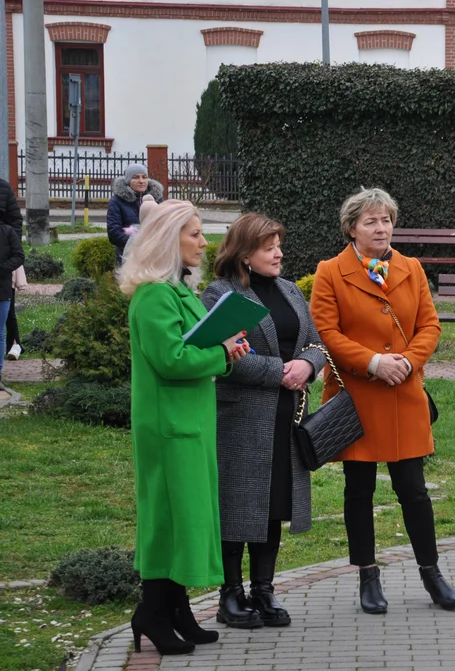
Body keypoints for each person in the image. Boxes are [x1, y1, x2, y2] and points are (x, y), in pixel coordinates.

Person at [310, 187, 455, 613]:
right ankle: (367, 577)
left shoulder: (411, 267)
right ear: (352, 228)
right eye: (371, 221)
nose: (381, 228)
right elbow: (327, 333)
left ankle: (432, 574)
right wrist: (374, 362)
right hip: (357, 398)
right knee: (358, 491)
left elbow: (430, 325)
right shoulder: (329, 272)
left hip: (403, 394)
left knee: (414, 490)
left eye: (387, 220)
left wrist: (407, 363)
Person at [119, 198, 251, 655]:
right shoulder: (155, 294)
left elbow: (191, 345)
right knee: (168, 520)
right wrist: (221, 355)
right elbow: (172, 359)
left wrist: (226, 344)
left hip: (189, 421)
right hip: (168, 426)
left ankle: (176, 609)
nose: (204, 241)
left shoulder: (177, 291)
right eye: (194, 233)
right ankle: (153, 612)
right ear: (167, 239)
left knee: (186, 517)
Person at [203, 213, 326, 628]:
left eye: (278, 244)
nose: (279, 252)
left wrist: (308, 365)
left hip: (287, 415)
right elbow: (225, 357)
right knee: (240, 503)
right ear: (244, 254)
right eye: (269, 247)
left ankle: (264, 590)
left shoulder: (290, 291)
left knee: (274, 504)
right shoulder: (220, 294)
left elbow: (315, 341)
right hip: (241, 417)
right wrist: (281, 372)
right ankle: (230, 594)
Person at [108, 163, 164, 265]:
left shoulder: (157, 199)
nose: (141, 181)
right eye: (136, 177)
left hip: (155, 256)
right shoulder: (117, 201)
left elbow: (166, 224)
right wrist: (137, 243)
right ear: (129, 180)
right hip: (128, 257)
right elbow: (114, 232)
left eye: (144, 177)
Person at [0, 220, 24, 391]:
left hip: (2, 289)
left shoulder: (7, 231)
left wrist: (1, 269)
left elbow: (19, 256)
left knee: (0, 332)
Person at [1, 178, 22, 363]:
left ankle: (14, 343)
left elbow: (16, 219)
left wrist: (10, 244)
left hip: (5, 259)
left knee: (7, 307)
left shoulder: (3, 187)